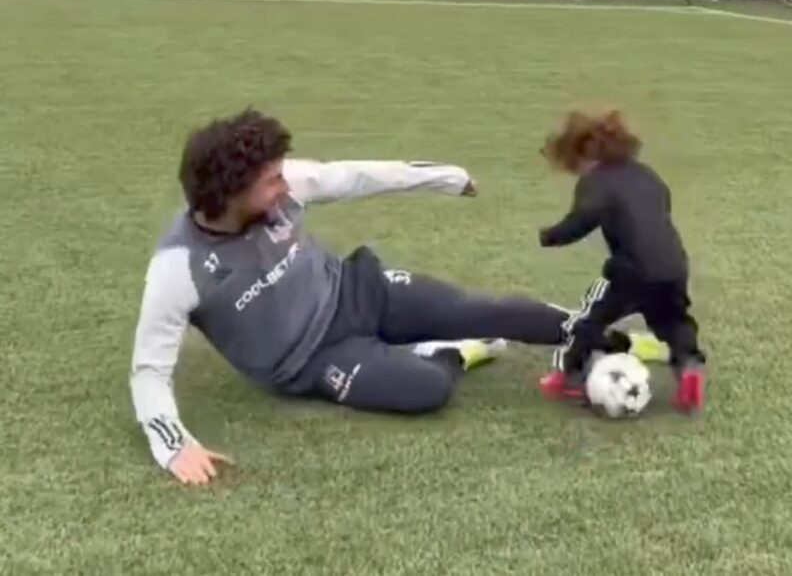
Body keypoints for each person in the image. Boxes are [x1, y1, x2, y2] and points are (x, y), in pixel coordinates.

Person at [131, 107, 610, 485]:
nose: (285, 184)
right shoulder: (178, 268)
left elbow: (358, 176)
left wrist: (446, 177)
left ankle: (595, 332)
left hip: (358, 291)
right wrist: (174, 445)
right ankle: (448, 355)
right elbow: (149, 368)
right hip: (316, 359)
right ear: (231, 193)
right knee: (428, 389)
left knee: (482, 311)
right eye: (272, 181)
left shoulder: (282, 187)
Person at [535, 109, 707, 412]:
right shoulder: (647, 174)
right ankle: (689, 366)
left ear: (583, 153)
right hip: (673, 266)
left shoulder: (596, 182)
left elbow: (582, 219)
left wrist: (550, 236)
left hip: (631, 271)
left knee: (589, 319)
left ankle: (568, 378)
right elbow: (662, 203)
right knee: (673, 320)